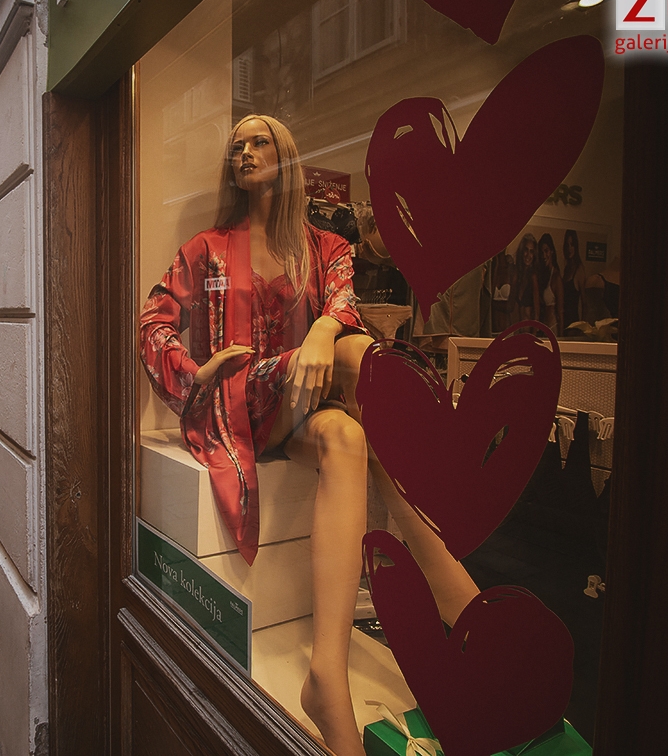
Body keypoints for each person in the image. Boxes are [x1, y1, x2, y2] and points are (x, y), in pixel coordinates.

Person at [140, 115, 477, 756]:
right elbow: (153, 320)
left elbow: (343, 303)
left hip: (301, 408)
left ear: (286, 155)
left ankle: (326, 676)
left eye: (259, 141)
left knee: (348, 435)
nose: (245, 152)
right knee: (358, 355)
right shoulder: (207, 248)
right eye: (237, 145)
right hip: (242, 404)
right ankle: (450, 582)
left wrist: (322, 330)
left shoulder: (327, 248)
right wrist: (195, 371)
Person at [537, 233, 564, 335]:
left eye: (546, 251)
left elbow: (560, 311)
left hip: (553, 327)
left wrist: (561, 337)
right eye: (541, 252)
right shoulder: (543, 275)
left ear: (552, 251)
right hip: (542, 328)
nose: (544, 255)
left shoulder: (556, 277)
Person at [511, 233, 541, 322]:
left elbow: (537, 312)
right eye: (526, 250)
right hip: (517, 327)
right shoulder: (518, 274)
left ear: (534, 254)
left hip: (529, 328)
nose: (528, 255)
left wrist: (535, 330)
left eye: (531, 251)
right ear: (521, 251)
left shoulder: (533, 277)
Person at [561, 229, 585, 332]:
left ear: (576, 246)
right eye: (567, 245)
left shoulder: (579, 270)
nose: (569, 248)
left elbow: (584, 303)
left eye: (572, 245)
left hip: (573, 323)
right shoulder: (567, 268)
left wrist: (582, 327)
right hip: (564, 320)